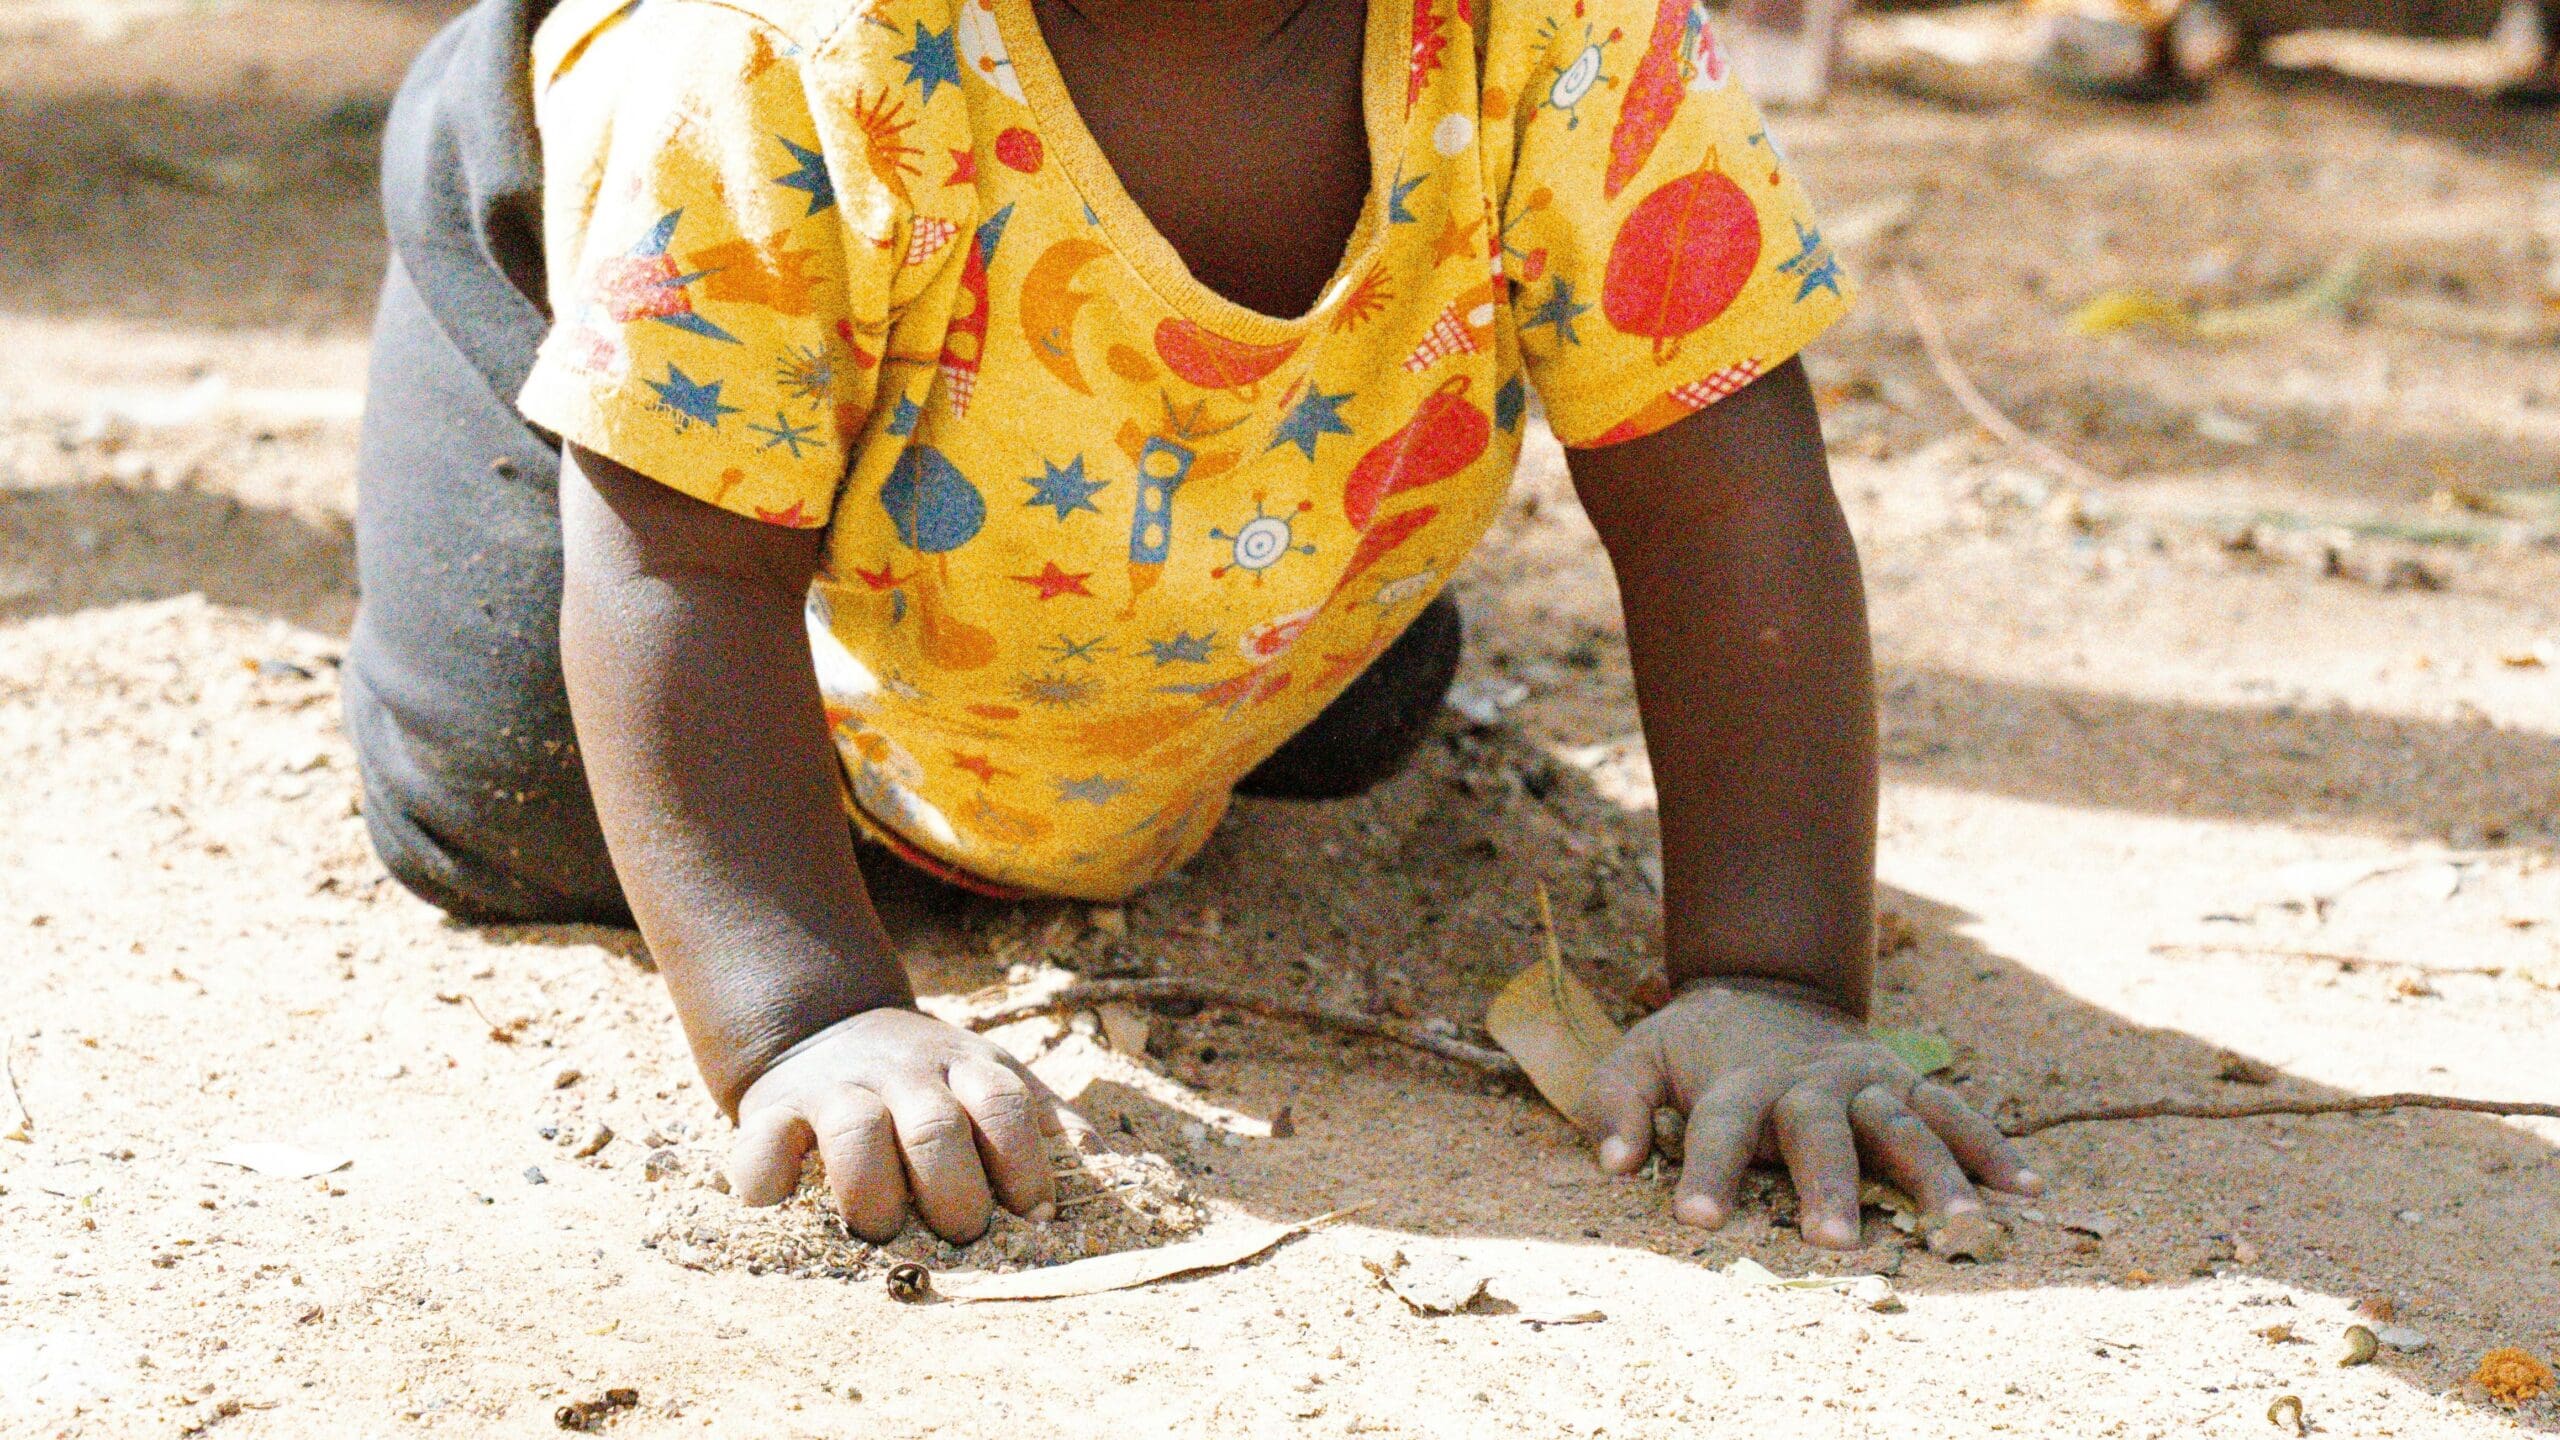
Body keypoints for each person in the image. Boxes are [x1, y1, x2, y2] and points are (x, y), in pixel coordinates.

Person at [347, 0, 2041, 1247]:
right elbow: (683, 570)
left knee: (1336, 731)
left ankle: (1222, 624)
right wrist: (807, 1014)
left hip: (1152, 479)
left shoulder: (1571, 33)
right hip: (626, 316)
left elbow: (1720, 497)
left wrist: (1772, 974)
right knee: (530, 791)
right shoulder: (764, 46)